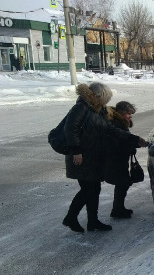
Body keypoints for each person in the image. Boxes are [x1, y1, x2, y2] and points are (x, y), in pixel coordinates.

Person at [62, 82, 147, 233]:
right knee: (88, 190)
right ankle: (71, 217)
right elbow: (70, 128)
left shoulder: (96, 111)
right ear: (99, 96)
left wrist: (135, 139)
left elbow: (111, 129)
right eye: (106, 98)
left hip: (92, 157)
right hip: (81, 157)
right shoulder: (81, 107)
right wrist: (76, 151)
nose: (107, 102)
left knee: (94, 189)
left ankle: (93, 221)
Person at [104, 101, 139, 218]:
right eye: (128, 114)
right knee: (123, 183)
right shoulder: (115, 123)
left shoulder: (120, 122)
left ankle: (118, 208)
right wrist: (134, 144)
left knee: (122, 183)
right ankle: (117, 209)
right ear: (122, 113)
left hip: (119, 158)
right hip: (115, 159)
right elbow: (120, 140)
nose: (130, 116)